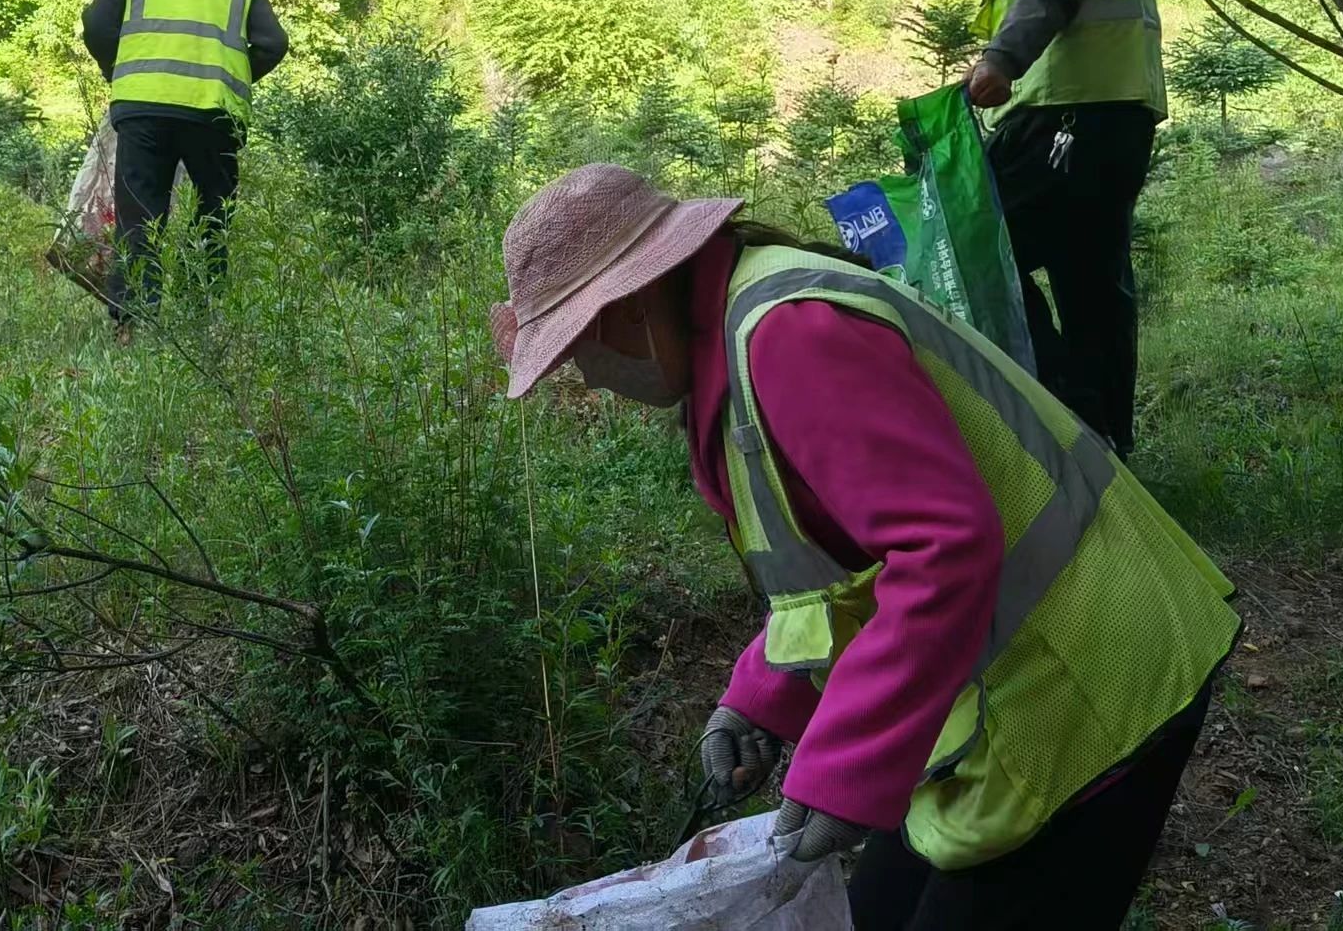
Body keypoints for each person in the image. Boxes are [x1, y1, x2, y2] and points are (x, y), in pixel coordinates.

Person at [491, 163, 1238, 930]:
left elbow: (943, 547)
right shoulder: (739, 345)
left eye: (577, 346)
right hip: (1027, 675)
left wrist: (840, 770)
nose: (588, 375)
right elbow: (835, 570)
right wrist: (762, 697)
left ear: (633, 303)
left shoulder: (788, 333)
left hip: (1094, 673)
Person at [936, 0, 1165, 459]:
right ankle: (1106, 449)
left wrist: (1000, 62)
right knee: (1092, 278)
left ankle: (1067, 416)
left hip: (1068, 112)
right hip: (1119, 111)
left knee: (973, 246)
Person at [81, 0, 288, 341]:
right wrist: (233, 77)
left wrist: (118, 71)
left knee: (139, 215)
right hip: (213, 114)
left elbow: (96, 27)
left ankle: (132, 325)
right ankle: (204, 317)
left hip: (142, 109)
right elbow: (273, 44)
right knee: (213, 214)